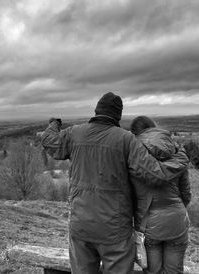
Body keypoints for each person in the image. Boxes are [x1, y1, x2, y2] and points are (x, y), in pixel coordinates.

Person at [41, 92, 189, 274]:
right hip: (114, 229)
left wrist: (54, 123)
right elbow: (155, 174)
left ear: (97, 111)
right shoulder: (125, 139)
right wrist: (180, 159)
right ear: (118, 115)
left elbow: (49, 141)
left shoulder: (74, 134)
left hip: (81, 225)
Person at [130, 116, 191, 274]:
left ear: (135, 133)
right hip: (177, 220)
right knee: (174, 270)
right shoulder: (176, 150)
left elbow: (130, 194)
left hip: (148, 223)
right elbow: (186, 193)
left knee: (152, 271)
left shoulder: (134, 154)